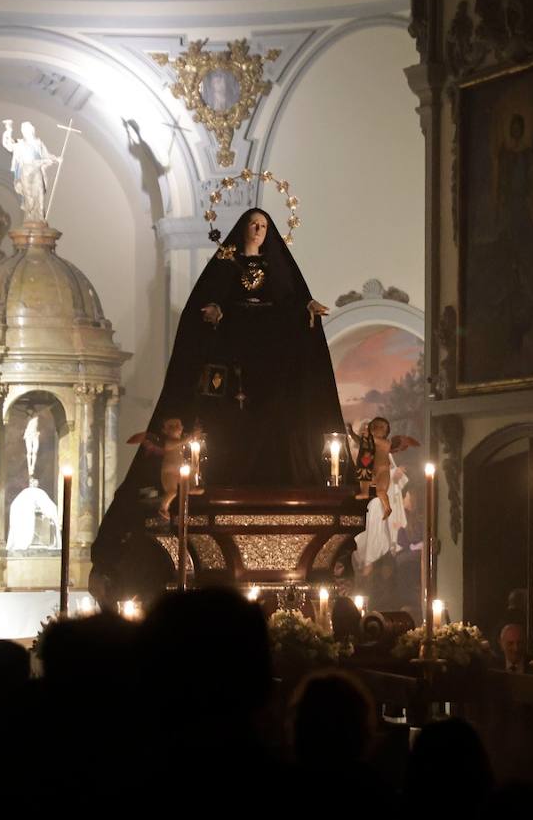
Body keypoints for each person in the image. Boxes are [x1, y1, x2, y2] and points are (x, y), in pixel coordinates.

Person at [90, 208, 350, 601]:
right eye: (253, 225)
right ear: (243, 228)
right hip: (231, 364)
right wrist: (217, 312)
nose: (258, 231)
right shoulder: (225, 264)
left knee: (276, 418)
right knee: (226, 421)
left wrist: (306, 310)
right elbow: (205, 308)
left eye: (263, 226)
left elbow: (290, 306)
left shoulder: (279, 268)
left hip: (269, 368)